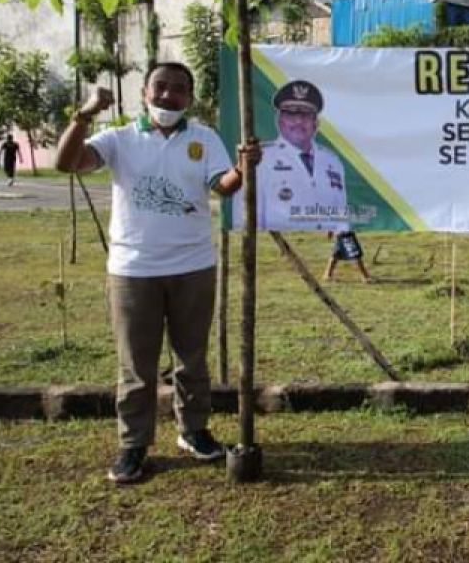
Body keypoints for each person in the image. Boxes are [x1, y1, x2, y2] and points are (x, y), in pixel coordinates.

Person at [55, 63, 257, 484]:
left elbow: (224, 185)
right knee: (136, 365)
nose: (169, 96)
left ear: (190, 97)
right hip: (133, 270)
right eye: (161, 87)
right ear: (144, 92)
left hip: (194, 266)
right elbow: (67, 162)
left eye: (179, 89)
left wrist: (243, 167)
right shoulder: (120, 139)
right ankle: (133, 445)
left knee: (192, 358)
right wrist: (85, 115)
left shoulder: (202, 138)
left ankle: (194, 431)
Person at [254, 79, 349, 232]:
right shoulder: (260, 159)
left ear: (315, 123)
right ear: (279, 120)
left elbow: (341, 218)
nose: (299, 121)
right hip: (277, 251)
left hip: (328, 252)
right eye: (291, 114)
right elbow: (246, 222)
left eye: (306, 114)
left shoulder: (332, 162)